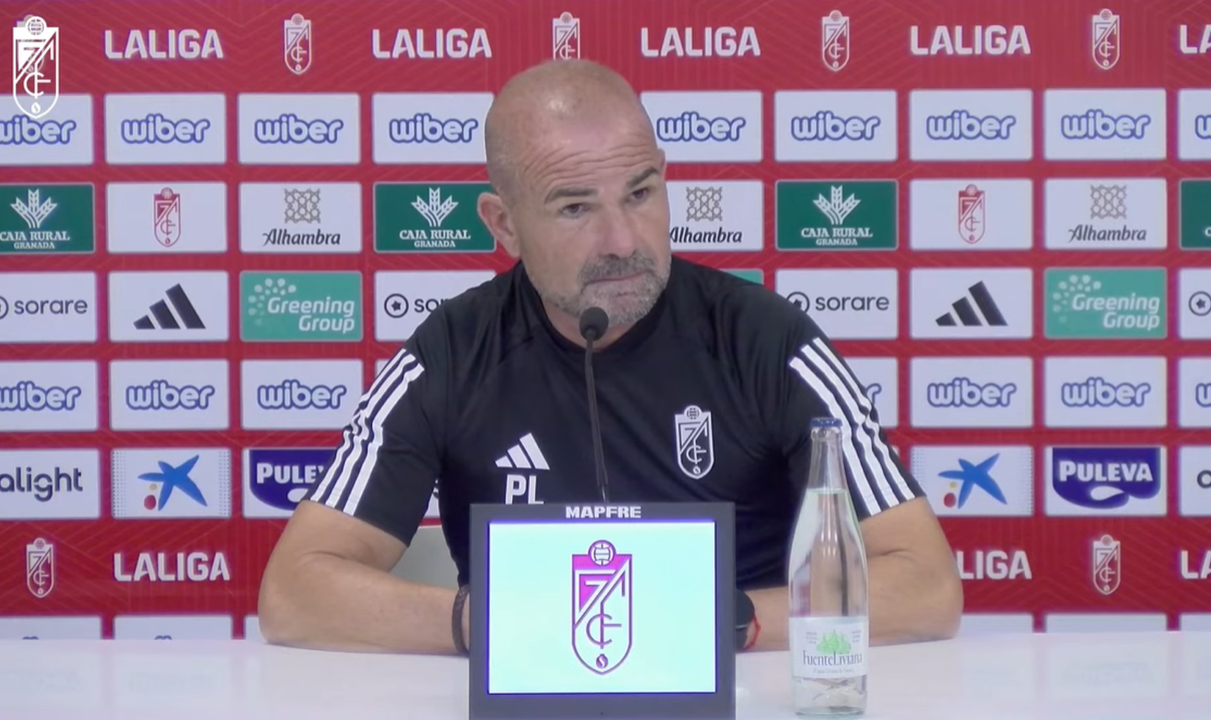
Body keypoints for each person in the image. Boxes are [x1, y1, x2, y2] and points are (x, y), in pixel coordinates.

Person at [258, 59, 962, 655]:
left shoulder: (767, 339)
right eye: (575, 208)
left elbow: (927, 585)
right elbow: (294, 591)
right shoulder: (451, 352)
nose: (624, 241)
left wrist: (725, 623)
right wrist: (501, 624)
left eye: (641, 193)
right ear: (504, 224)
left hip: (741, 689)